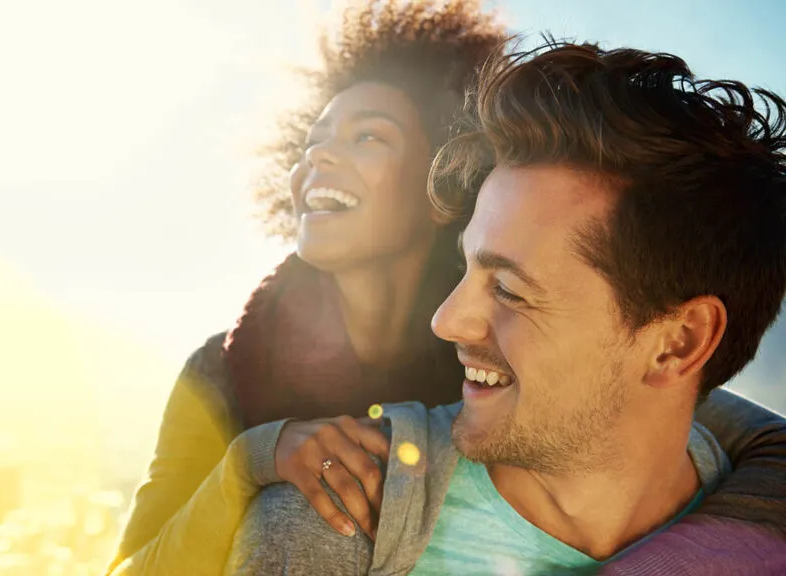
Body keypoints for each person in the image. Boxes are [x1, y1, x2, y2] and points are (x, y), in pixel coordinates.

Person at [108, 3, 786, 574]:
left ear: (441, 187)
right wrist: (250, 461)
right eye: (313, 139)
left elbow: (742, 436)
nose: (318, 155)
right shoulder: (224, 370)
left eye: (370, 136)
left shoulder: (551, 348)